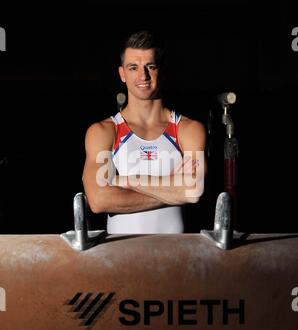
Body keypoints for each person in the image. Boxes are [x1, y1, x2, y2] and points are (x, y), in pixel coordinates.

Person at [82, 30, 206, 234]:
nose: (143, 76)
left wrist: (126, 181)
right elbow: (98, 200)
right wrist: (173, 189)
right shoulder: (104, 131)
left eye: (151, 66)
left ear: (161, 70)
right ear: (122, 73)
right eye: (133, 67)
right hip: (120, 257)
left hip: (176, 256)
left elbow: (193, 191)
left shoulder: (188, 129)